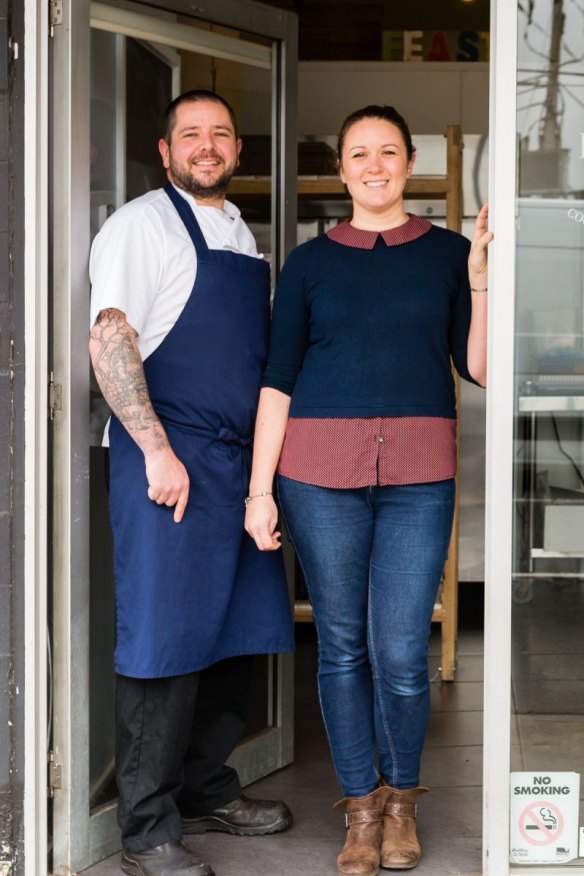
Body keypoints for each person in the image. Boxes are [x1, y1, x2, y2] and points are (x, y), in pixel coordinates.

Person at [244, 104, 491, 876]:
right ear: (343, 168)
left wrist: (480, 285)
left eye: (388, 152)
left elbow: (477, 367)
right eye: (360, 153)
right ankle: (360, 810)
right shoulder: (309, 265)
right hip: (318, 476)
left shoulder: (449, 254)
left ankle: (402, 805)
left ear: (409, 161)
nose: (375, 165)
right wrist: (260, 492)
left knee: (402, 655)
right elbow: (278, 382)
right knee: (343, 648)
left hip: (420, 477)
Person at [89, 90, 295, 876]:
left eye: (220, 135)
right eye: (190, 136)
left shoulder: (239, 232)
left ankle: (208, 786)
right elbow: (110, 338)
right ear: (165, 149)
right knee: (163, 641)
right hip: (167, 467)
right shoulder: (142, 226)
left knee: (231, 634)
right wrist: (155, 449)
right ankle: (145, 828)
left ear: (238, 150)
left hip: (235, 467)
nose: (206, 147)